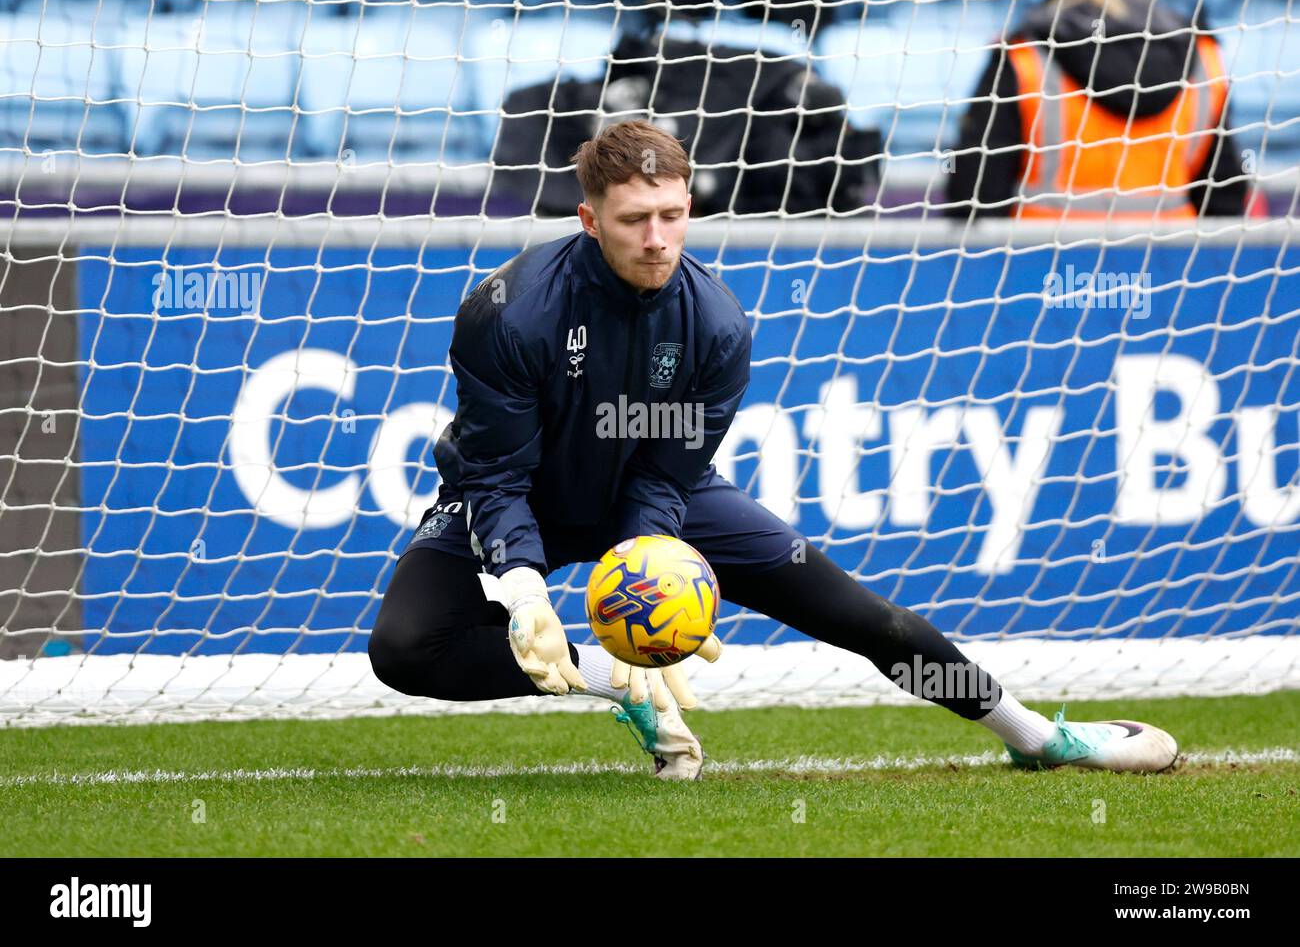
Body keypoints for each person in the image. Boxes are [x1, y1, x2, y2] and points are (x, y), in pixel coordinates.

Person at [369, 119, 1179, 779]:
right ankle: (619, 684)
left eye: (672, 215)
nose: (658, 239)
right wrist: (524, 590)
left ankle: (1036, 734)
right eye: (633, 220)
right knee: (403, 648)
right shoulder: (509, 312)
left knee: (865, 616)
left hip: (650, 495)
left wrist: (646, 558)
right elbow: (495, 472)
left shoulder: (717, 326)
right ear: (589, 220)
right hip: (522, 498)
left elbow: (665, 471)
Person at [946, 0, 1254, 220]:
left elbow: (973, 194)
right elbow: (1225, 198)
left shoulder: (1022, 56)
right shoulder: (1203, 56)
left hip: (1043, 280)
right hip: (1165, 280)